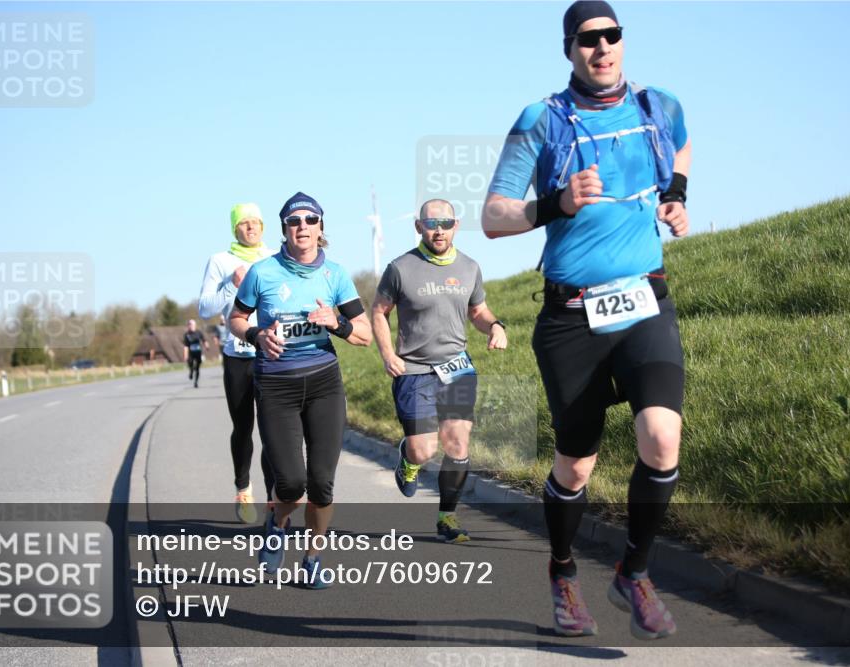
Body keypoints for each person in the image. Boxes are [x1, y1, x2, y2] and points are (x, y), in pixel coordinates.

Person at [482, 0, 690, 640]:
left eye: (611, 36)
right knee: (576, 466)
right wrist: (557, 202)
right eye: (587, 40)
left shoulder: (659, 107)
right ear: (569, 49)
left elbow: (679, 148)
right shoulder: (542, 120)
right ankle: (564, 572)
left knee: (661, 438)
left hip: (645, 301)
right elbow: (493, 216)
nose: (601, 49)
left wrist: (676, 197)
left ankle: (635, 570)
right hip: (572, 317)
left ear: (623, 42)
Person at [228, 191, 371, 588]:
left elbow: (366, 335)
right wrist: (256, 334)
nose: (302, 227)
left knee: (322, 483)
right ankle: (276, 521)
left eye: (310, 220)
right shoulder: (263, 272)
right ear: (284, 230)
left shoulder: (337, 275)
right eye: (294, 221)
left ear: (321, 227)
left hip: (324, 382)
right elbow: (236, 318)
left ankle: (312, 558)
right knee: (291, 483)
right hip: (276, 385)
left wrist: (337, 324)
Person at [371, 199, 507, 544]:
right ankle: (408, 458)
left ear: (456, 225)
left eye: (446, 223)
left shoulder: (469, 267)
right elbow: (379, 312)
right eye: (432, 223)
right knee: (423, 450)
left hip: (457, 366)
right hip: (413, 369)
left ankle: (447, 517)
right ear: (419, 227)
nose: (439, 229)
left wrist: (495, 326)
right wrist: (388, 353)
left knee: (458, 442)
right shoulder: (400, 268)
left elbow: (478, 311)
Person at [198, 202, 276, 524]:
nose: (250, 227)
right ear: (235, 229)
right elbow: (204, 308)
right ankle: (243, 489)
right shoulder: (220, 261)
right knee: (244, 427)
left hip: (271, 352)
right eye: (244, 223)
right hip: (237, 356)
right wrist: (232, 282)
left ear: (262, 226)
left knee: (273, 430)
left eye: (255, 222)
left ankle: (274, 500)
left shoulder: (274, 258)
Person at [182, 319, 208, 388]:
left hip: (198, 352)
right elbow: (185, 346)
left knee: (197, 368)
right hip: (191, 353)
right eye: (189, 325)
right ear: (188, 326)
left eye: (192, 325)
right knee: (190, 364)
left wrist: (206, 346)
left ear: (195, 325)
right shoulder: (186, 335)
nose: (191, 326)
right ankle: (191, 371)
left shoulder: (199, 332)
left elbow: (204, 340)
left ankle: (196, 382)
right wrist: (185, 355)